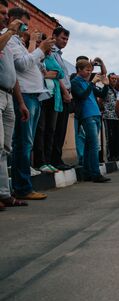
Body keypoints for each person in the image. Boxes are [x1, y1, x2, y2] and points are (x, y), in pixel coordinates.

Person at [8, 7, 55, 200]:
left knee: (26, 142)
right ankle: (23, 187)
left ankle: (23, 185)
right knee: (23, 144)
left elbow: (33, 65)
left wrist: (41, 51)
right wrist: (39, 49)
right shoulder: (10, 40)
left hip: (34, 96)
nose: (27, 30)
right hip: (25, 95)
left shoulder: (18, 42)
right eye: (25, 25)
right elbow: (21, 65)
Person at [0, 0, 29, 210]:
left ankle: (4, 193)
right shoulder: (6, 36)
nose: (4, 16)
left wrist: (21, 102)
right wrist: (9, 31)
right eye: (1, 13)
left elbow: (13, 73)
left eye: (5, 13)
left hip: (9, 95)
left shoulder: (8, 39)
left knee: (5, 149)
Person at [70, 59, 110, 183]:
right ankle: (95, 173)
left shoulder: (88, 83)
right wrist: (92, 83)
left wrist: (106, 85)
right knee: (93, 145)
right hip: (87, 116)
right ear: (79, 70)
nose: (89, 72)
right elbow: (82, 95)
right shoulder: (75, 82)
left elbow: (102, 95)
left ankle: (87, 173)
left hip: (96, 114)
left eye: (90, 70)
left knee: (89, 146)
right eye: (87, 70)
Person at [34, 42, 65, 174]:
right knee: (40, 130)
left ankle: (48, 161)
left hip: (53, 98)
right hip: (41, 97)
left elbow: (61, 73)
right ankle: (39, 162)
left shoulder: (51, 58)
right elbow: (37, 72)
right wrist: (49, 74)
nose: (50, 49)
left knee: (50, 130)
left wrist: (46, 74)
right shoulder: (35, 56)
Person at [49, 26, 72, 171]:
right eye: (63, 38)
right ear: (54, 36)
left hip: (65, 94)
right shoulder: (51, 52)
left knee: (61, 129)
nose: (65, 41)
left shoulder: (59, 55)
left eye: (67, 39)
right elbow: (58, 76)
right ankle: (54, 160)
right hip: (59, 94)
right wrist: (65, 92)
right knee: (55, 129)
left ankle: (58, 159)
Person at [102, 73, 119, 161]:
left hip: (116, 117)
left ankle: (116, 155)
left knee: (116, 137)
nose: (114, 80)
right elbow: (101, 100)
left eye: (115, 79)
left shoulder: (117, 91)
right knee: (109, 137)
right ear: (109, 79)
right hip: (108, 116)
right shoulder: (106, 89)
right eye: (112, 78)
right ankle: (110, 156)